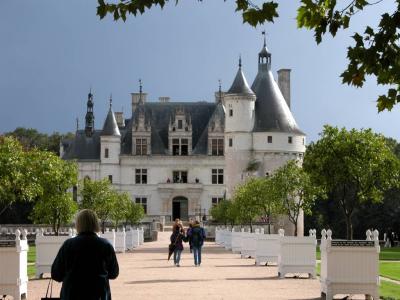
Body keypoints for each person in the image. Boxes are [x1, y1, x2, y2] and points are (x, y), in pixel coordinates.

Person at [51, 209, 119, 300]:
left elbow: (56, 274)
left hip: (72, 294)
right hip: (99, 295)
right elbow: (114, 273)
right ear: (95, 223)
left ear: (78, 224)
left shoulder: (68, 245)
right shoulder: (105, 245)